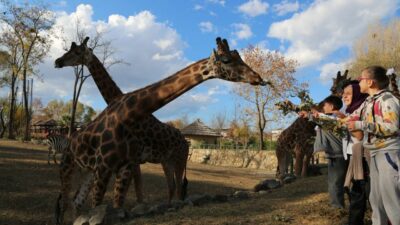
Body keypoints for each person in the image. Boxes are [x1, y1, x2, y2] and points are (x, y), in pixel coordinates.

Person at [346, 66, 400, 225]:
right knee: (376, 200)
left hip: (388, 152)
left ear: (370, 82)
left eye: (360, 79)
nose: (358, 81)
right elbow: (349, 119)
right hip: (375, 154)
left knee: (392, 201)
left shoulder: (388, 100)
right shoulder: (367, 102)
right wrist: (318, 117)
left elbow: (393, 127)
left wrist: (362, 125)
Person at [299, 95, 347, 209]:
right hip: (334, 155)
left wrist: (307, 114)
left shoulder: (335, 117)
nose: (323, 107)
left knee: (335, 184)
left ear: (331, 106)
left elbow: (321, 119)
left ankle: (337, 208)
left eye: (325, 105)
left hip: (338, 156)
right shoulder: (329, 118)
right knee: (337, 183)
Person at [340, 80, 369, 225]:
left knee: (359, 190)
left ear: (358, 94)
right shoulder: (350, 111)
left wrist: (346, 123)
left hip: (363, 155)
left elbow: (360, 136)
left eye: (348, 93)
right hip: (351, 153)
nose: (344, 96)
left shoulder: (364, 109)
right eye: (343, 94)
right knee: (355, 190)